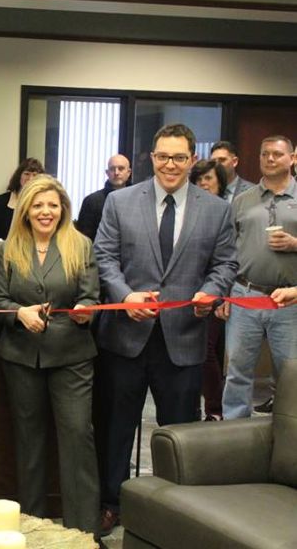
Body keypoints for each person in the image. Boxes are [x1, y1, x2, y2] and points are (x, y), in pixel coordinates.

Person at [93, 123, 237, 536]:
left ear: (192, 160)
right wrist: (125, 296)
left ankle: (175, 510)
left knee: (177, 433)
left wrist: (211, 292)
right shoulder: (120, 202)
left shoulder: (217, 210)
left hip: (184, 337)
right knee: (116, 427)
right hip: (125, 338)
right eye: (162, 156)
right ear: (151, 158)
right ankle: (112, 503)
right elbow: (104, 257)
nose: (169, 165)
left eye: (178, 157)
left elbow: (226, 263)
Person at [0, 174, 100, 534]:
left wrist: (86, 310)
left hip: (71, 357)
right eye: (38, 205)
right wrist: (18, 313)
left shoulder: (80, 245)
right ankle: (33, 526)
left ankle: (83, 530)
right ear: (26, 210)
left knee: (77, 436)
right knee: (29, 441)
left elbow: (90, 297)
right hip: (21, 357)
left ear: (63, 209)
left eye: (52, 205)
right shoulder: (11, 247)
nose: (45, 211)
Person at [218, 135, 296, 420]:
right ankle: (233, 436)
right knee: (237, 371)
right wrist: (223, 294)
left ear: (292, 158)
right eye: (265, 154)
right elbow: (225, 251)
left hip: (289, 299)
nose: (271, 159)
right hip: (244, 294)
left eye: (277, 154)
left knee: (290, 374)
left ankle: (289, 437)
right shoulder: (242, 200)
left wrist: (295, 244)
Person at [189, 159, 228, 421]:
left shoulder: (224, 210)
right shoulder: (187, 209)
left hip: (214, 293)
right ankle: (193, 408)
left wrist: (220, 295)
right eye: (199, 179)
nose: (203, 184)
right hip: (186, 296)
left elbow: (227, 260)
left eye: (209, 179)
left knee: (207, 351)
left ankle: (214, 409)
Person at [0, 157, 45, 240]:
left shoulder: (44, 204)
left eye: (35, 175)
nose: (30, 178)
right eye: (27, 174)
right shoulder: (0, 202)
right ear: (19, 176)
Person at [76, 154, 131, 240]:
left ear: (128, 172)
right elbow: (83, 239)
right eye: (112, 169)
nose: (116, 173)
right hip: (100, 251)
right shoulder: (91, 201)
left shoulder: (139, 200)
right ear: (107, 173)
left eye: (121, 169)